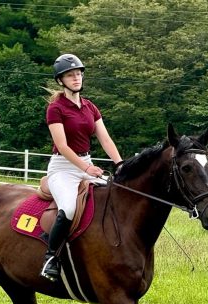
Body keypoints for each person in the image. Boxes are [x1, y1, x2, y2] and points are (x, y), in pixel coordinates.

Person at [40, 53, 123, 281]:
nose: (76, 78)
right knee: (68, 208)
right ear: (60, 80)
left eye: (78, 74)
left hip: (86, 163)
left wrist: (120, 163)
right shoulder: (56, 109)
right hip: (63, 167)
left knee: (113, 197)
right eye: (70, 75)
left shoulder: (90, 107)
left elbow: (105, 139)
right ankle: (50, 257)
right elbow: (62, 145)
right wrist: (86, 170)